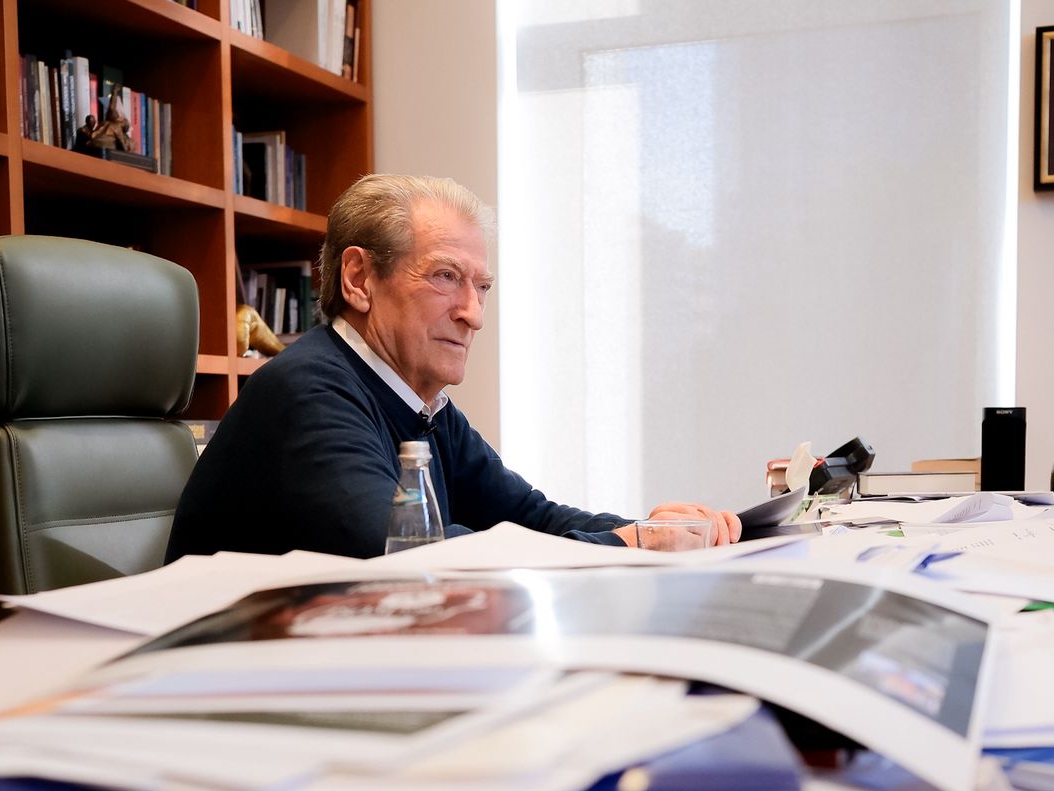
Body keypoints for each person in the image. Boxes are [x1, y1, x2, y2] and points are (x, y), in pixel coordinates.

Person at [166, 174, 740, 560]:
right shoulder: (307, 391)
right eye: (446, 277)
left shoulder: (421, 405)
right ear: (359, 279)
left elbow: (529, 517)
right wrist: (629, 545)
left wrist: (658, 532)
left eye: (481, 287)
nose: (473, 315)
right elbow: (411, 558)